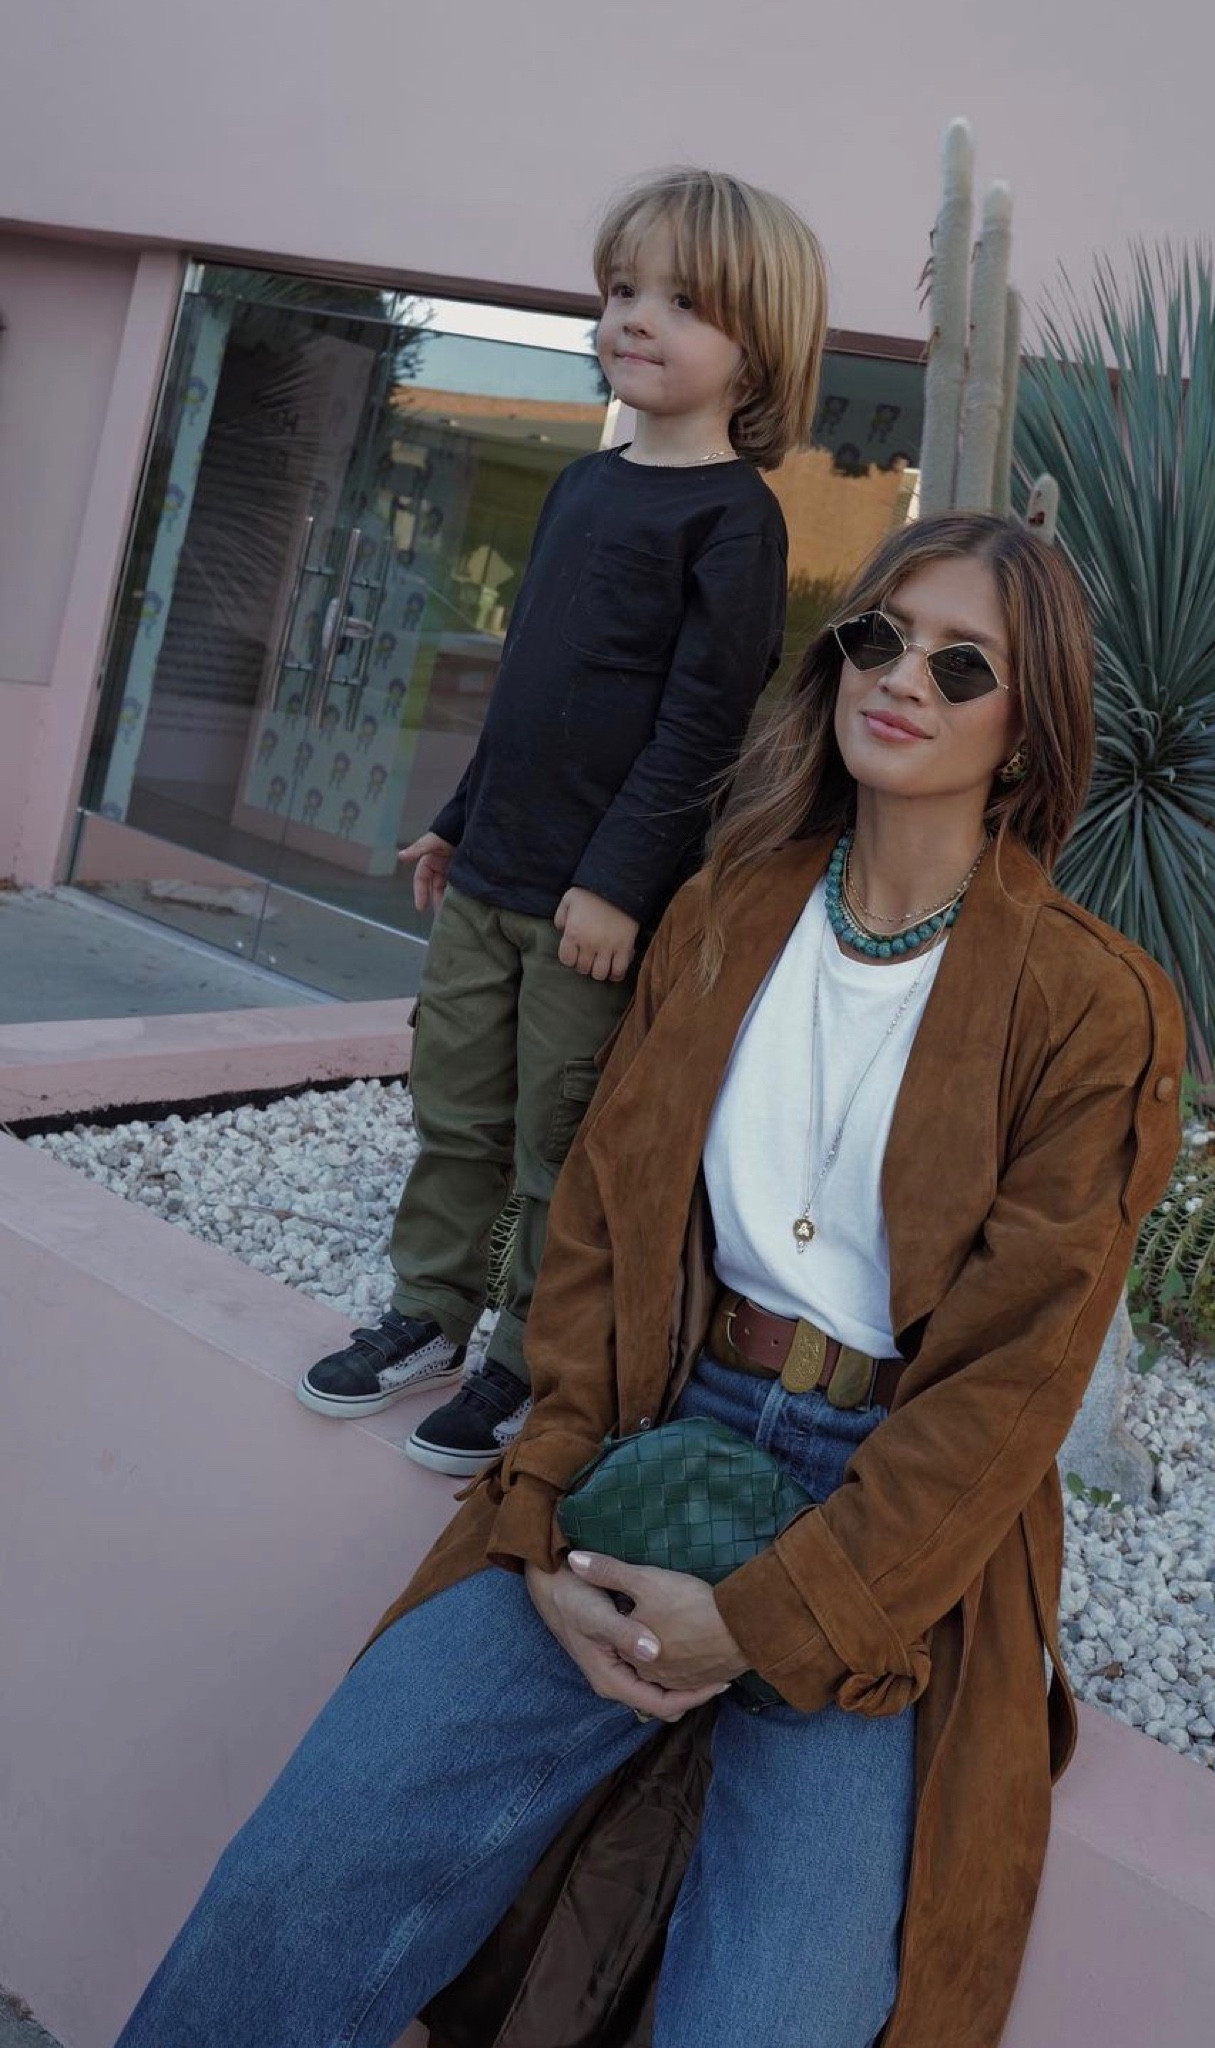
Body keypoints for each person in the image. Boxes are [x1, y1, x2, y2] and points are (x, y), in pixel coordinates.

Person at [118, 513, 1185, 2048]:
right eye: (878, 638)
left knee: (773, 2017)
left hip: (886, 1522)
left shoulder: (1096, 1006)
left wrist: (763, 1621)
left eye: (965, 667)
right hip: (653, 1424)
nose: (905, 681)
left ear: (1026, 739)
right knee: (309, 1869)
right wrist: (549, 1488)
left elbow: (1016, 1383)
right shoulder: (727, 911)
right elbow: (605, 1238)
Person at [297, 168, 828, 1476]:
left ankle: (527, 1363)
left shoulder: (735, 522)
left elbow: (702, 730)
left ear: (756, 346)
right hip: (494, 880)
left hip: (593, 911)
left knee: (557, 1146)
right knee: (458, 1110)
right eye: (621, 290)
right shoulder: (584, 489)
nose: (636, 318)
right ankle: (429, 1310)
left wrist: (617, 885)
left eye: (683, 301)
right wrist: (458, 819)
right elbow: (530, 687)